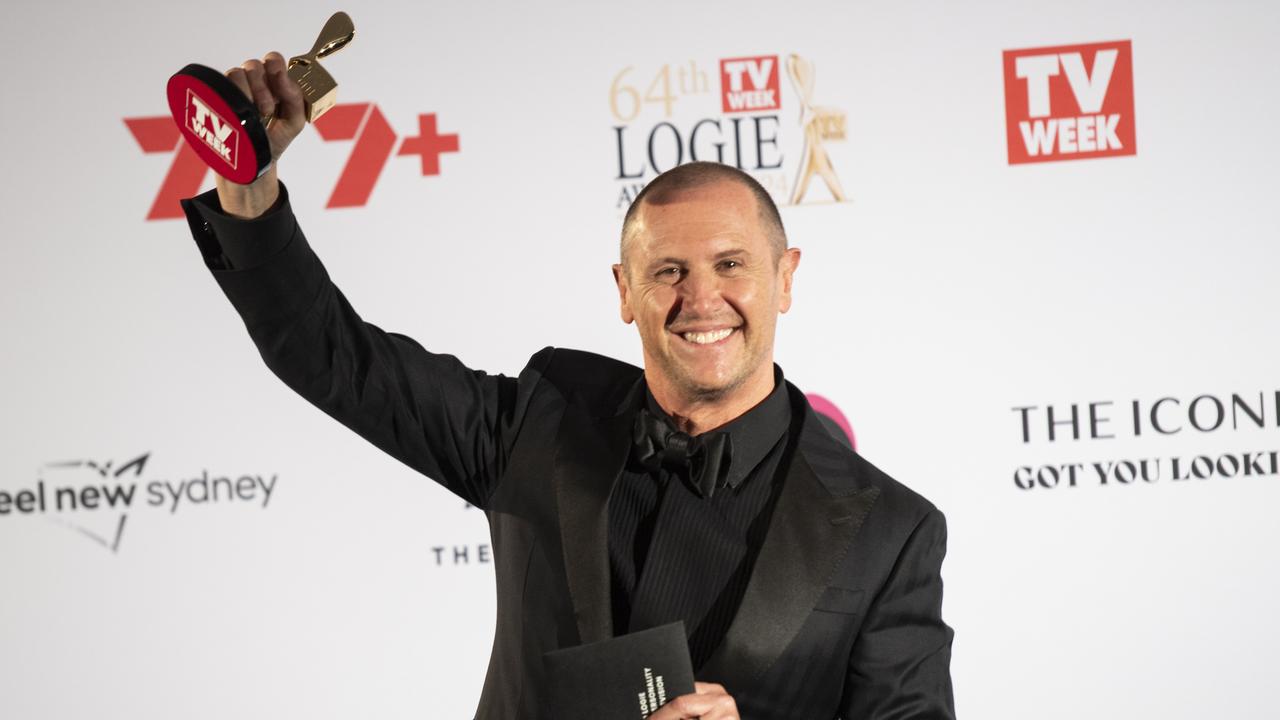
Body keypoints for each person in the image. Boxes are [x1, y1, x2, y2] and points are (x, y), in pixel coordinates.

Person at [181, 53, 955, 720]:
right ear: (624, 291)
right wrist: (251, 194)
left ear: (784, 278)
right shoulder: (542, 425)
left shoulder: (889, 531)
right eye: (667, 273)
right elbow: (334, 359)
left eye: (731, 265)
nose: (702, 300)